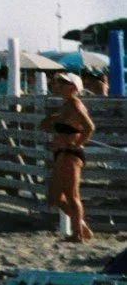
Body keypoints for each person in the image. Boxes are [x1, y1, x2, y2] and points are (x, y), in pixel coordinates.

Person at [42, 72, 95, 243]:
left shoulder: (74, 104)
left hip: (70, 154)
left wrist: (75, 144)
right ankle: (81, 227)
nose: (58, 85)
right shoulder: (66, 105)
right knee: (56, 196)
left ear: (73, 87)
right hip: (62, 153)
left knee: (72, 195)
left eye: (63, 82)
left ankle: (77, 233)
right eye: (58, 82)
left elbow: (89, 127)